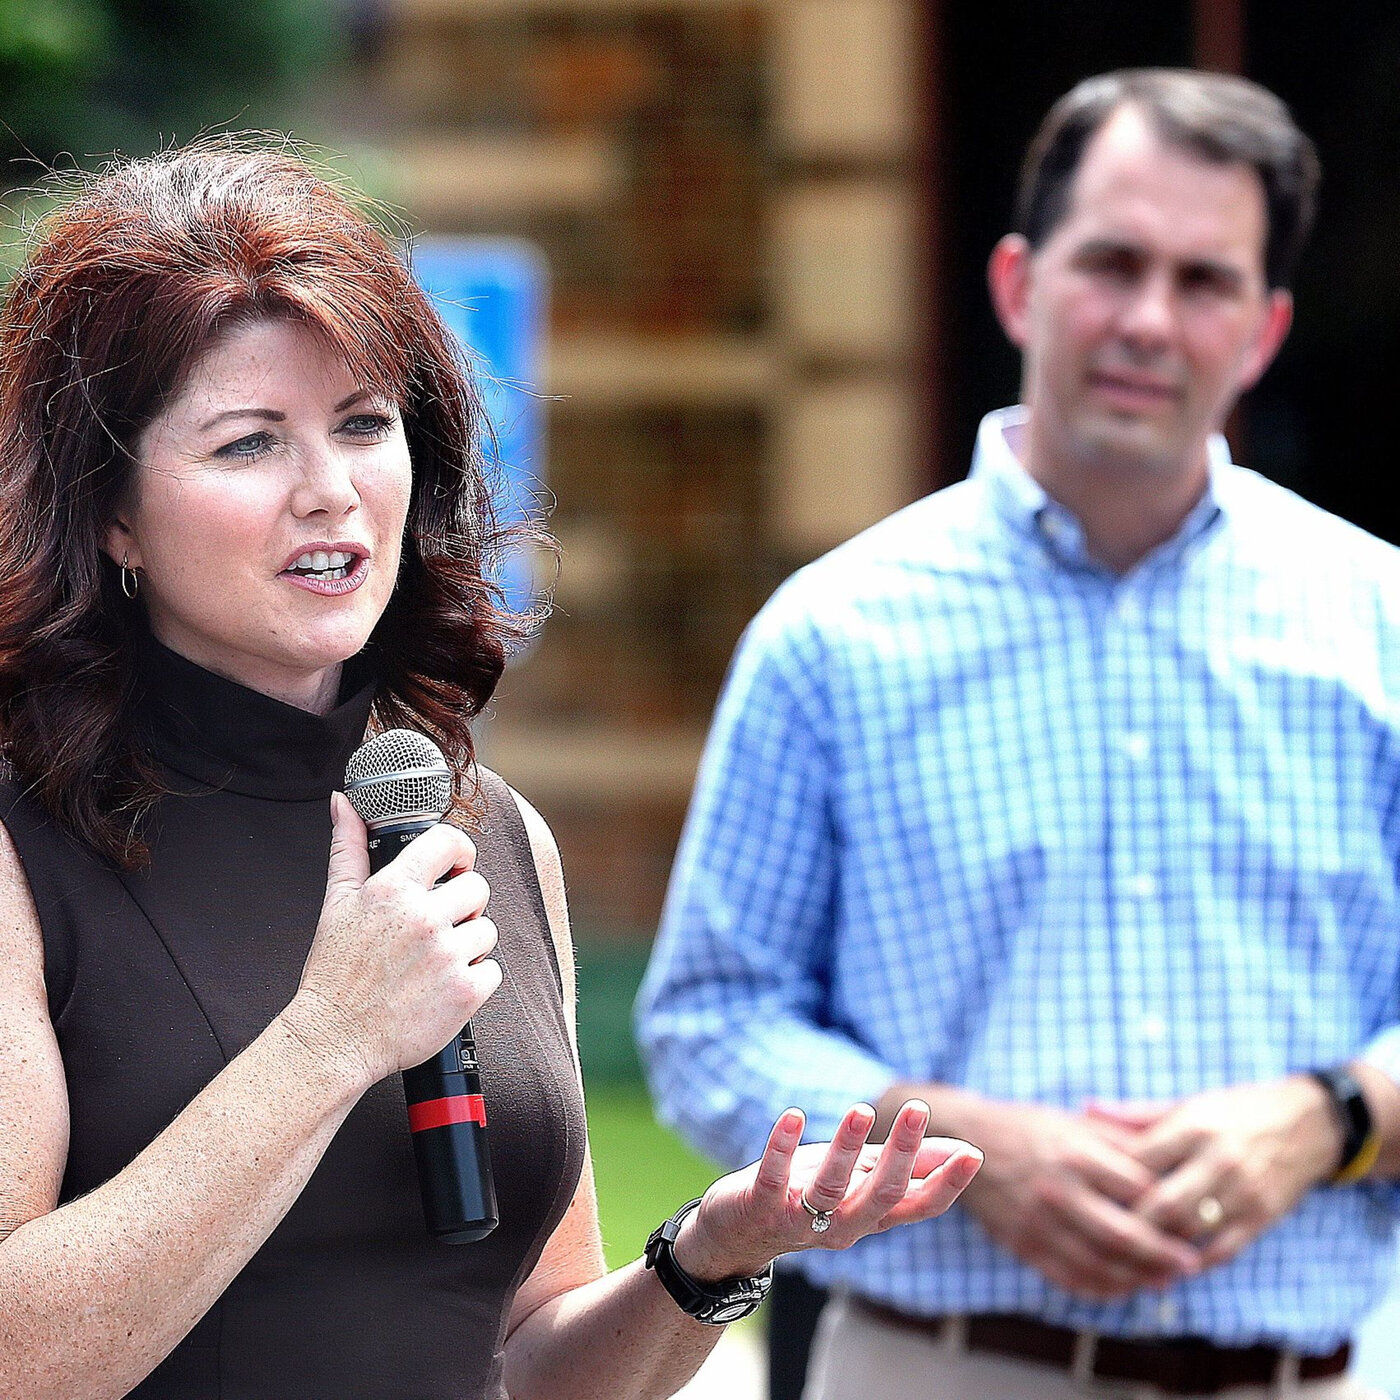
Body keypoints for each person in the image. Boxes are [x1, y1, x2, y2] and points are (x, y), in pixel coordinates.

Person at [0, 141, 983, 1400]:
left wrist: (708, 1257)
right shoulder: (25, 841)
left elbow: (531, 1360)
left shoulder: (479, 828)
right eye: (249, 444)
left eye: (363, 424)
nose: (330, 490)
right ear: (111, 513)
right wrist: (327, 1042)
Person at [637, 67, 1400, 1400]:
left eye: (1204, 280)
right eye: (1110, 262)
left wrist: (1329, 1119)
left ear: (1265, 330)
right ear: (1017, 285)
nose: (1150, 320)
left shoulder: (1383, 621)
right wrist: (962, 1148)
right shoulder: (834, 635)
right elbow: (711, 1024)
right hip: (937, 1371)